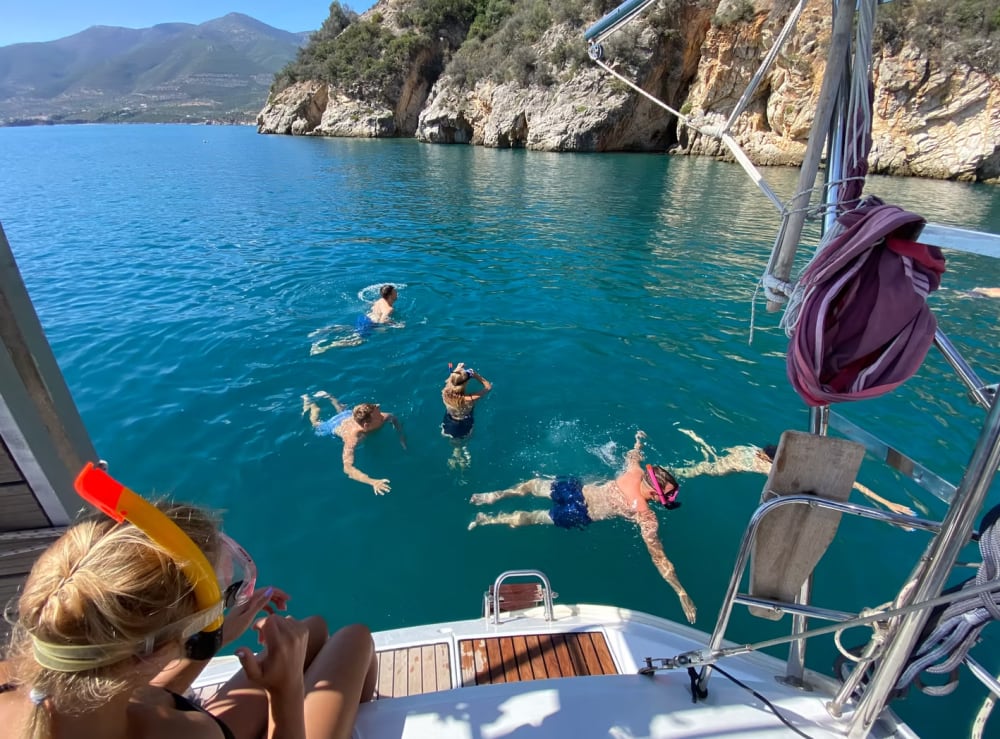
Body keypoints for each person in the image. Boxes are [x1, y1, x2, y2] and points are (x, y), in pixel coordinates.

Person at [0, 498, 376, 739]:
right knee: (355, 638)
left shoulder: (14, 682)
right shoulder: (189, 734)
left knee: (312, 631)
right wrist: (286, 690)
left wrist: (216, 637)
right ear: (153, 653)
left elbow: (129, 687)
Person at [468, 430, 696, 624]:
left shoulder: (635, 473)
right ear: (656, 493)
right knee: (534, 516)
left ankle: (491, 497)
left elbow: (632, 456)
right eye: (668, 494)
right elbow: (658, 557)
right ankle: (487, 519)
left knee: (531, 486)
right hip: (578, 513)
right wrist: (681, 591)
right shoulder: (644, 513)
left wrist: (638, 441)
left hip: (574, 491)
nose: (669, 498)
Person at [673, 428, 917, 517]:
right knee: (707, 470)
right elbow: (853, 484)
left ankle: (698, 441)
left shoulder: (774, 459)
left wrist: (887, 503)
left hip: (749, 451)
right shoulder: (766, 465)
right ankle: (679, 466)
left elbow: (853, 484)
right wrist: (887, 503)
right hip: (742, 459)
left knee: (710, 464)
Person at [302, 390, 406, 495]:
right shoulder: (352, 438)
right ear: (366, 425)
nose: (381, 413)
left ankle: (329, 396)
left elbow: (393, 418)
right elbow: (347, 468)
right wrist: (373, 482)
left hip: (348, 415)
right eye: (378, 414)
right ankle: (311, 405)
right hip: (333, 426)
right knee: (316, 424)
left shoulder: (381, 417)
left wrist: (401, 437)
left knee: (342, 411)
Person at [310, 284, 399, 354]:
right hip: (369, 324)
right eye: (395, 292)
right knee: (357, 341)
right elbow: (382, 321)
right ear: (390, 295)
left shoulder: (380, 300)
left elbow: (372, 306)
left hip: (363, 318)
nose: (397, 293)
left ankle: (322, 331)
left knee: (352, 329)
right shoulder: (389, 309)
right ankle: (325, 347)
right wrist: (394, 324)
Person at [441, 362, 492, 468]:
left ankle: (456, 453)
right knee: (464, 441)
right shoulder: (468, 399)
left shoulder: (445, 392)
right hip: (464, 423)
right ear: (465, 384)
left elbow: (452, 380)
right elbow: (488, 386)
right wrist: (475, 375)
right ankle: (462, 455)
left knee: (454, 441)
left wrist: (458, 369)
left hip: (449, 421)